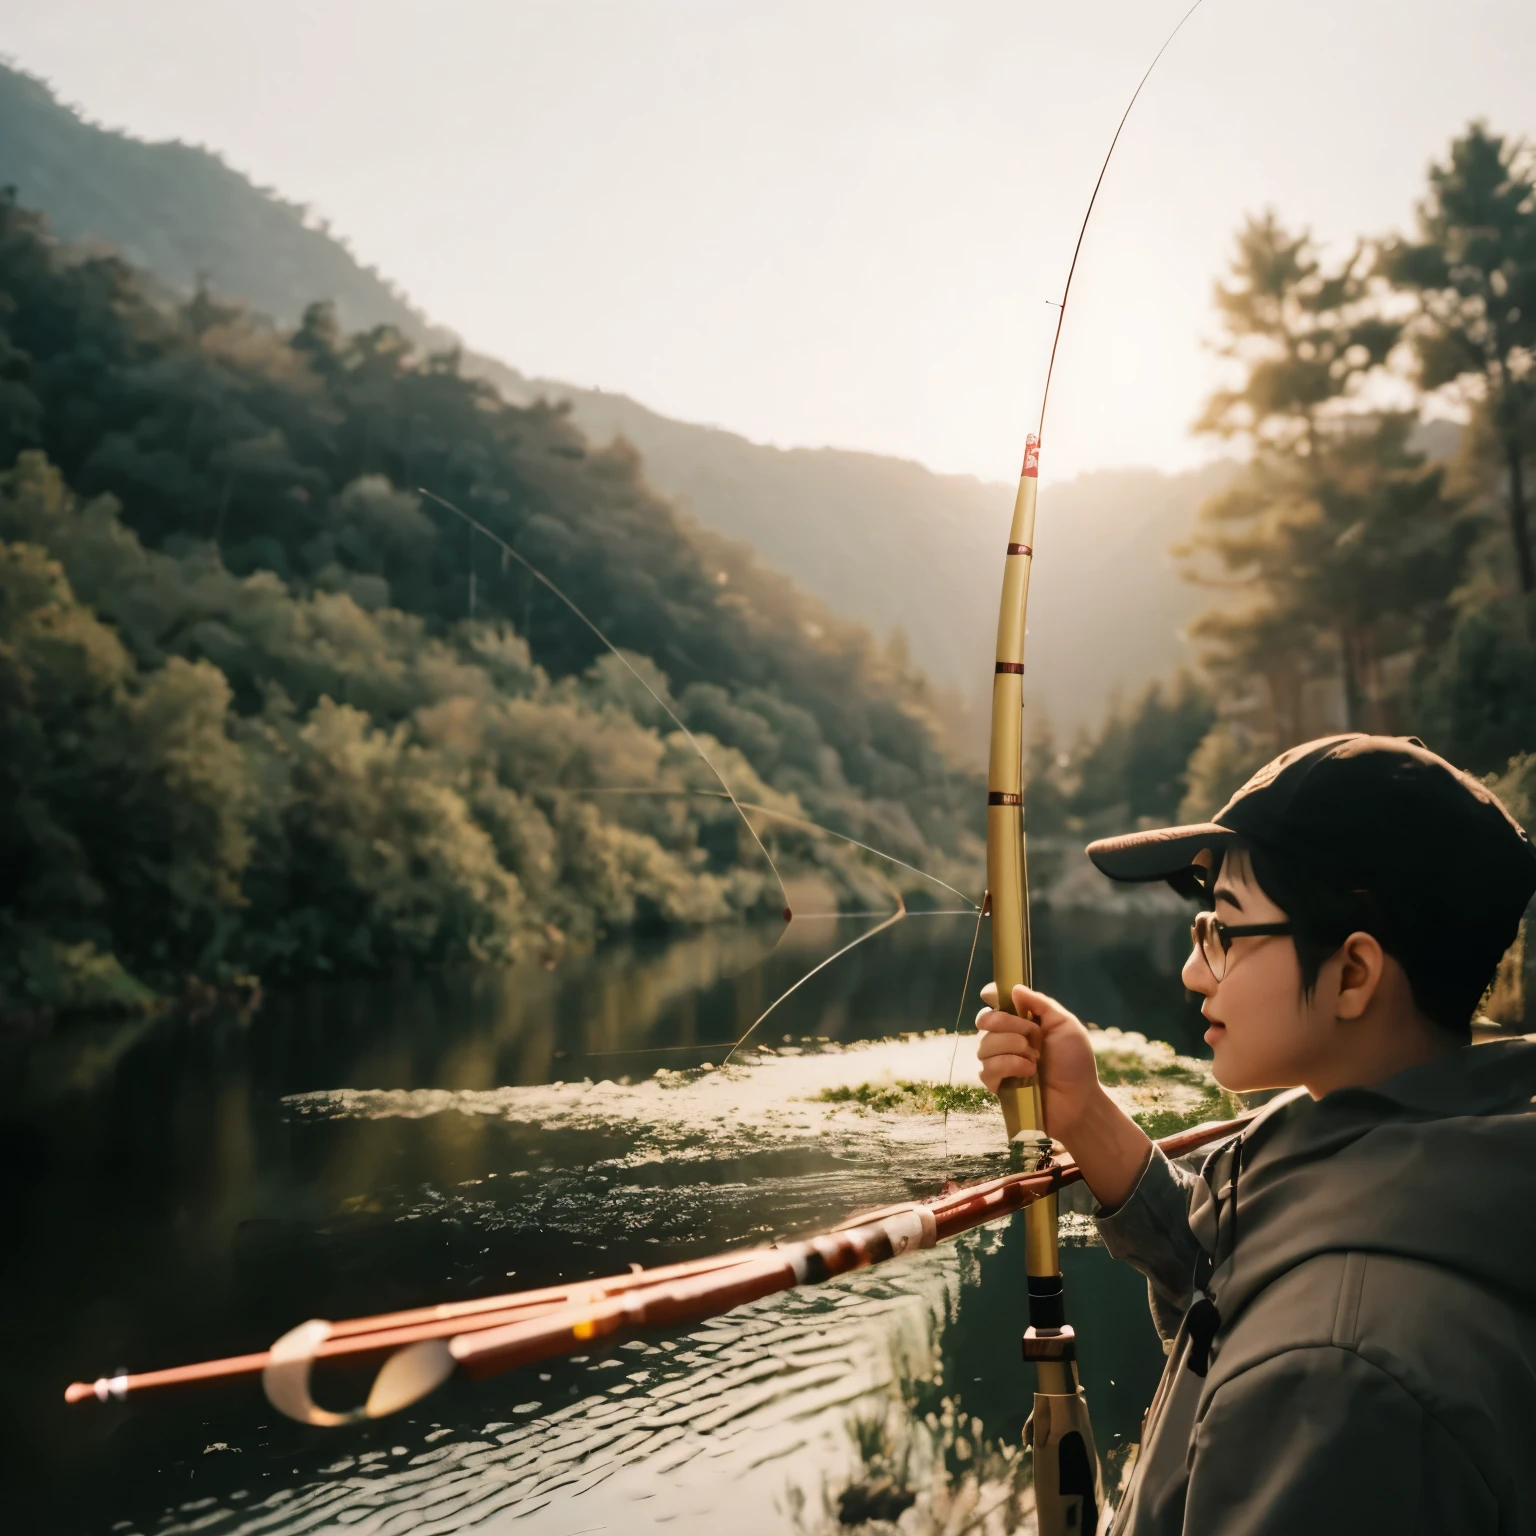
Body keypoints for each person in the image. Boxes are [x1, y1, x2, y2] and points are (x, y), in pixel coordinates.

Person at [975, 734, 1536, 1535]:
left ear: (1352, 974)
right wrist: (1086, 1116)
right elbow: (1243, 1282)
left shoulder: (1339, 1381)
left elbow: (1306, 1321)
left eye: (1226, 934)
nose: (1194, 971)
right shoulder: (1427, 1161)